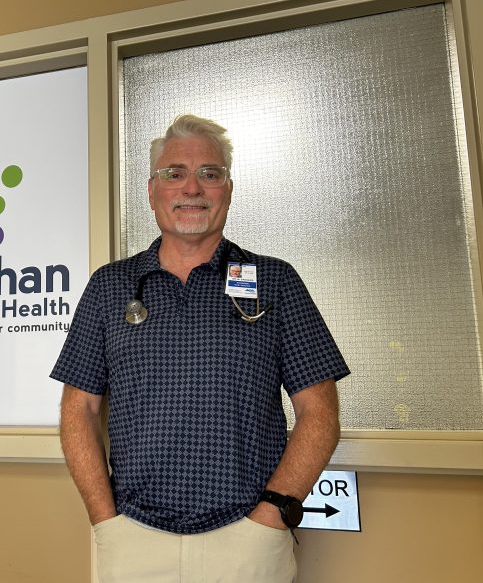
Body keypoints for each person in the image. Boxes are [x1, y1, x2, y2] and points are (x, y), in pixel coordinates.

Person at [51, 114, 349, 582]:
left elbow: (320, 414)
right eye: (175, 174)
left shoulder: (276, 281)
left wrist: (272, 515)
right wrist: (105, 521)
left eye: (210, 174)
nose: (192, 188)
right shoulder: (110, 287)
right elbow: (78, 411)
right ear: (152, 193)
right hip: (133, 539)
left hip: (249, 540)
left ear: (227, 190)